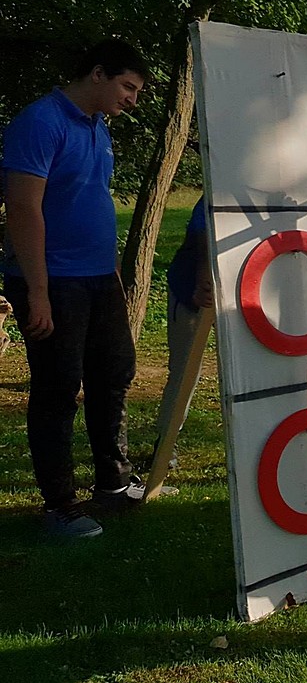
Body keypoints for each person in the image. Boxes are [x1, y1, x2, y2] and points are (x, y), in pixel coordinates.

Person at [2, 39, 148, 539]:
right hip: (51, 281)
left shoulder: (98, 127)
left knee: (114, 373)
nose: (132, 100)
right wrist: (37, 293)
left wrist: (110, 276)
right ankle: (59, 506)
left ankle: (113, 482)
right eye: (127, 87)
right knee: (58, 389)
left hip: (96, 279)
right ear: (97, 73)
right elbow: (23, 209)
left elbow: (92, 201)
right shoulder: (40, 122)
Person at [150, 195, 215, 472]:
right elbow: (202, 230)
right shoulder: (218, 183)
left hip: (245, 287)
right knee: (185, 371)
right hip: (192, 289)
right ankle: (165, 447)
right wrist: (204, 277)